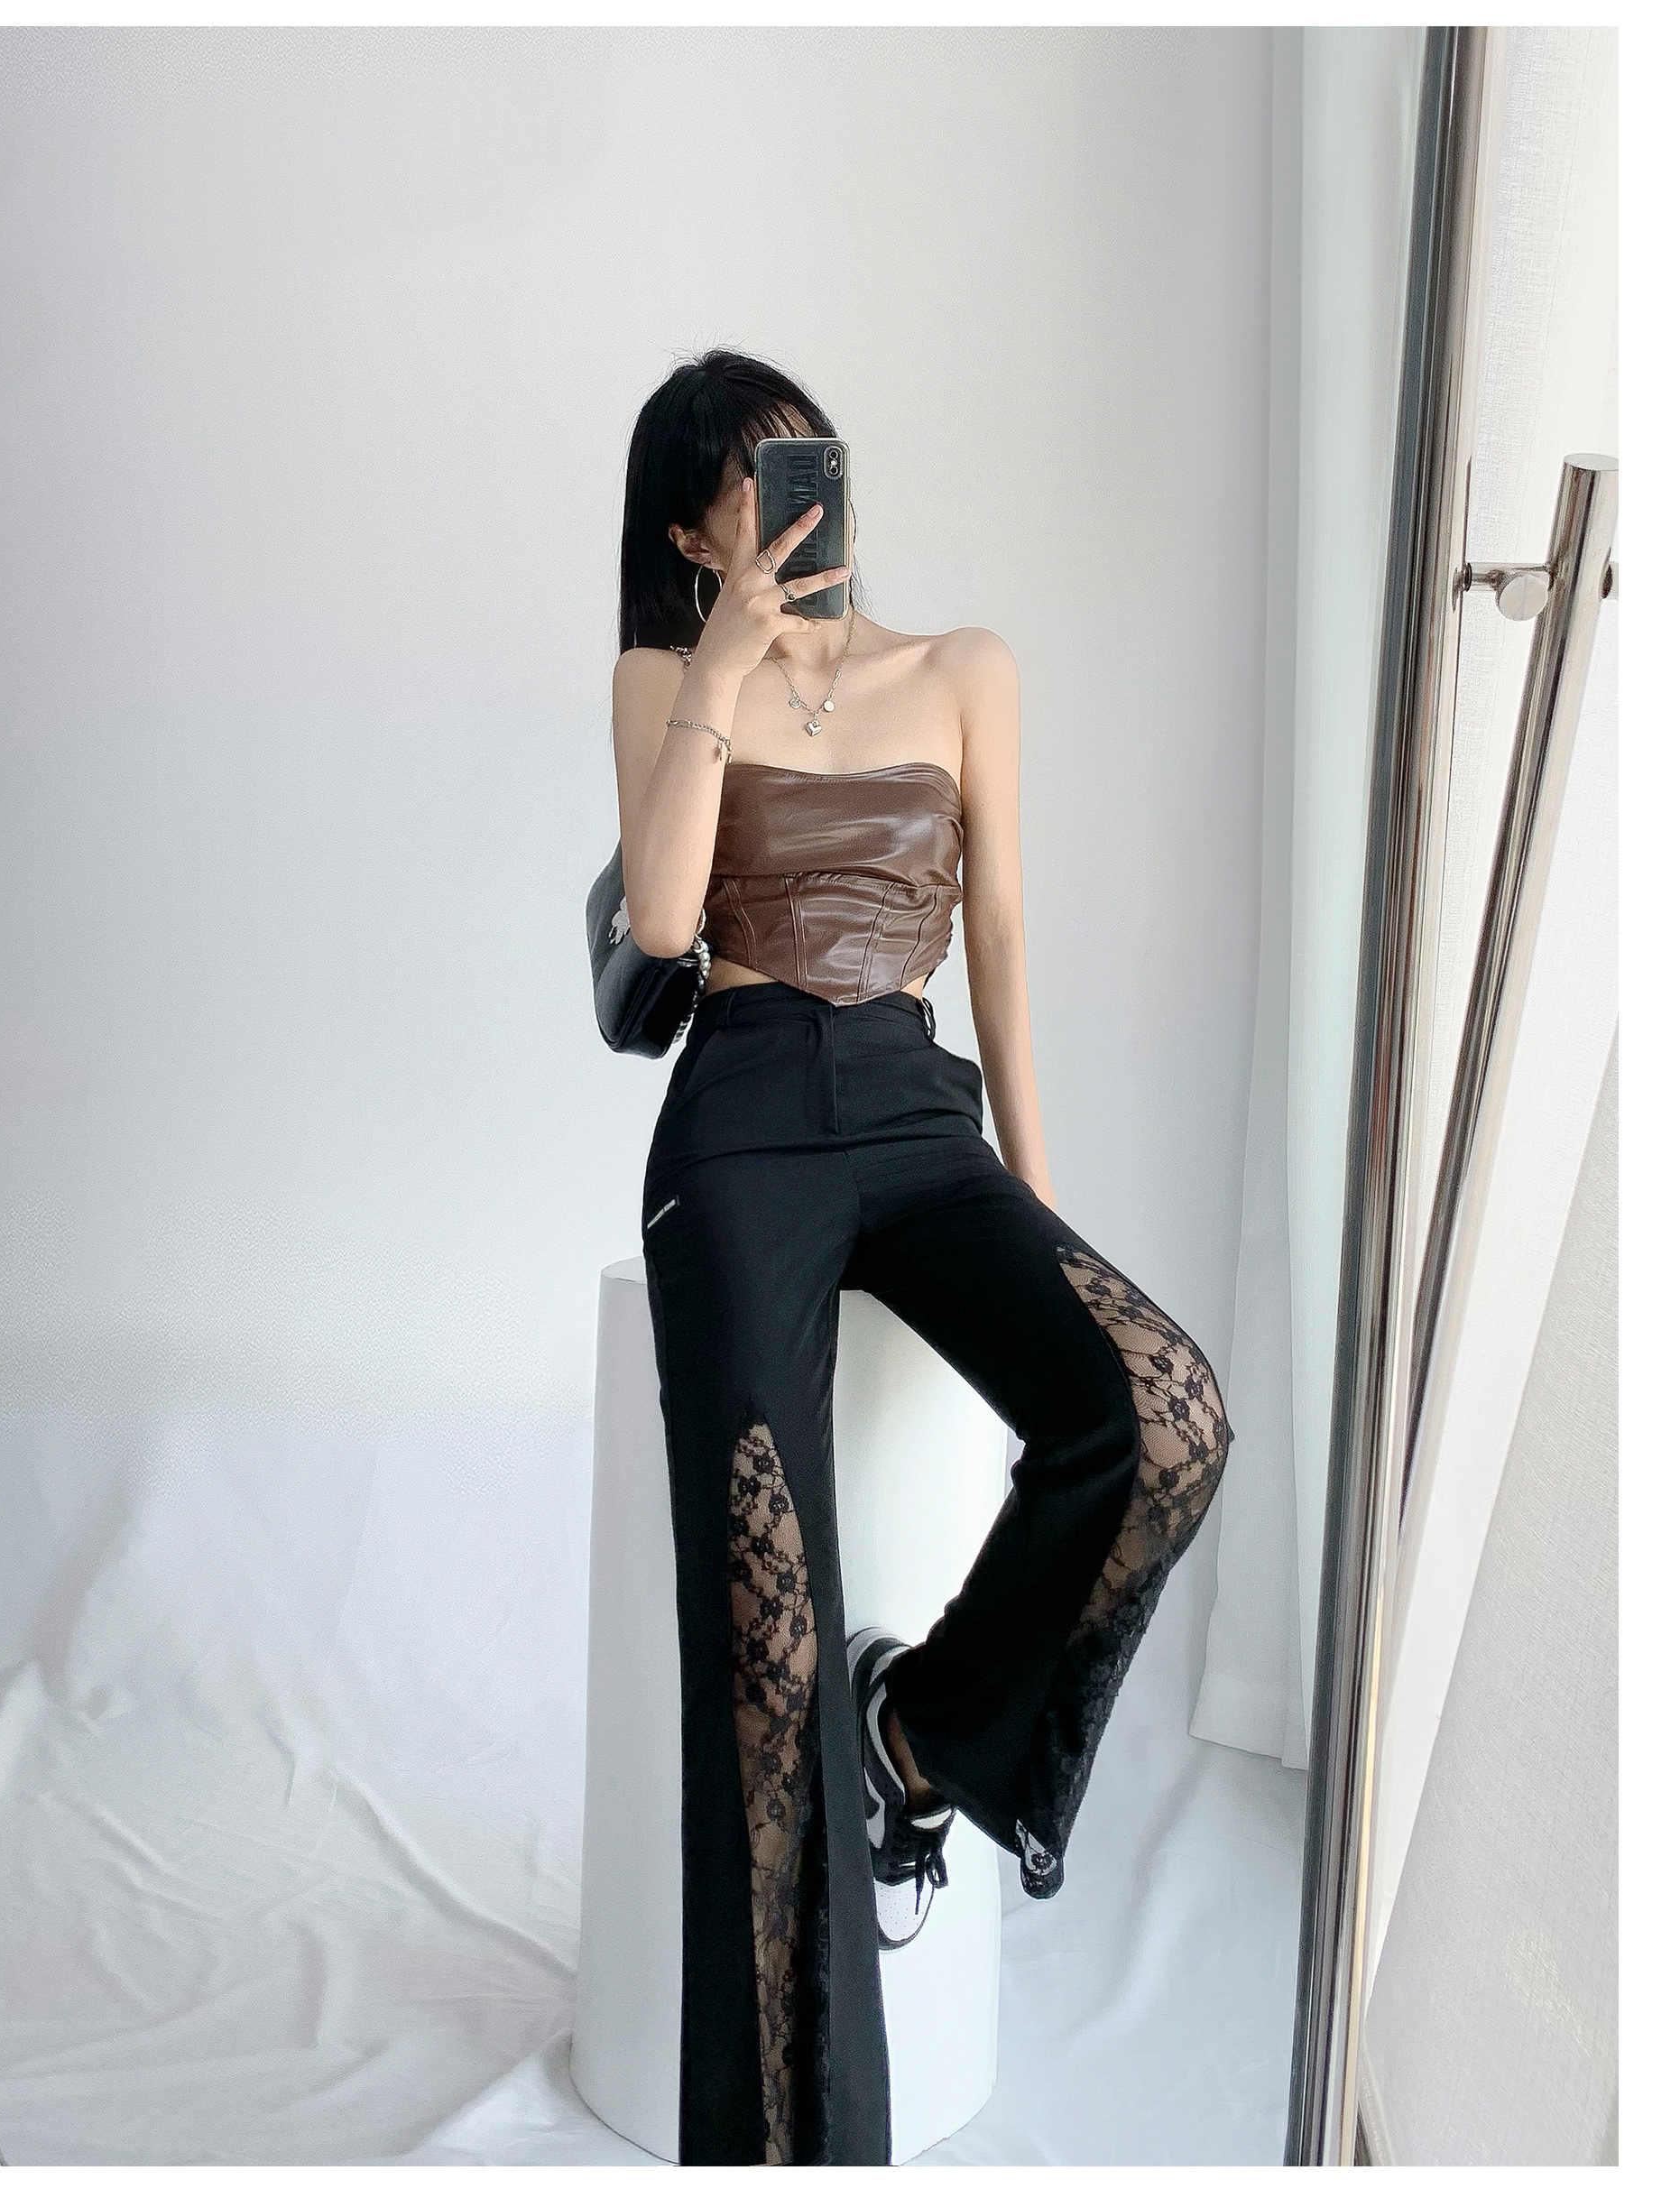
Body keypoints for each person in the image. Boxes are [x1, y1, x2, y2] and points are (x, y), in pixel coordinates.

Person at [610, 349, 1233, 2166]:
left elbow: (1007, 946)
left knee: (1167, 1412)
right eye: (742, 478)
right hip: (738, 1123)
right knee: (764, 1640)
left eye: (798, 451)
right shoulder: (660, 678)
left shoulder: (966, 671)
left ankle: (925, 1736)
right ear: (691, 535)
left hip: (913, 1114)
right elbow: (665, 920)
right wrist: (720, 670)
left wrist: (1037, 1209)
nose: (788, 492)